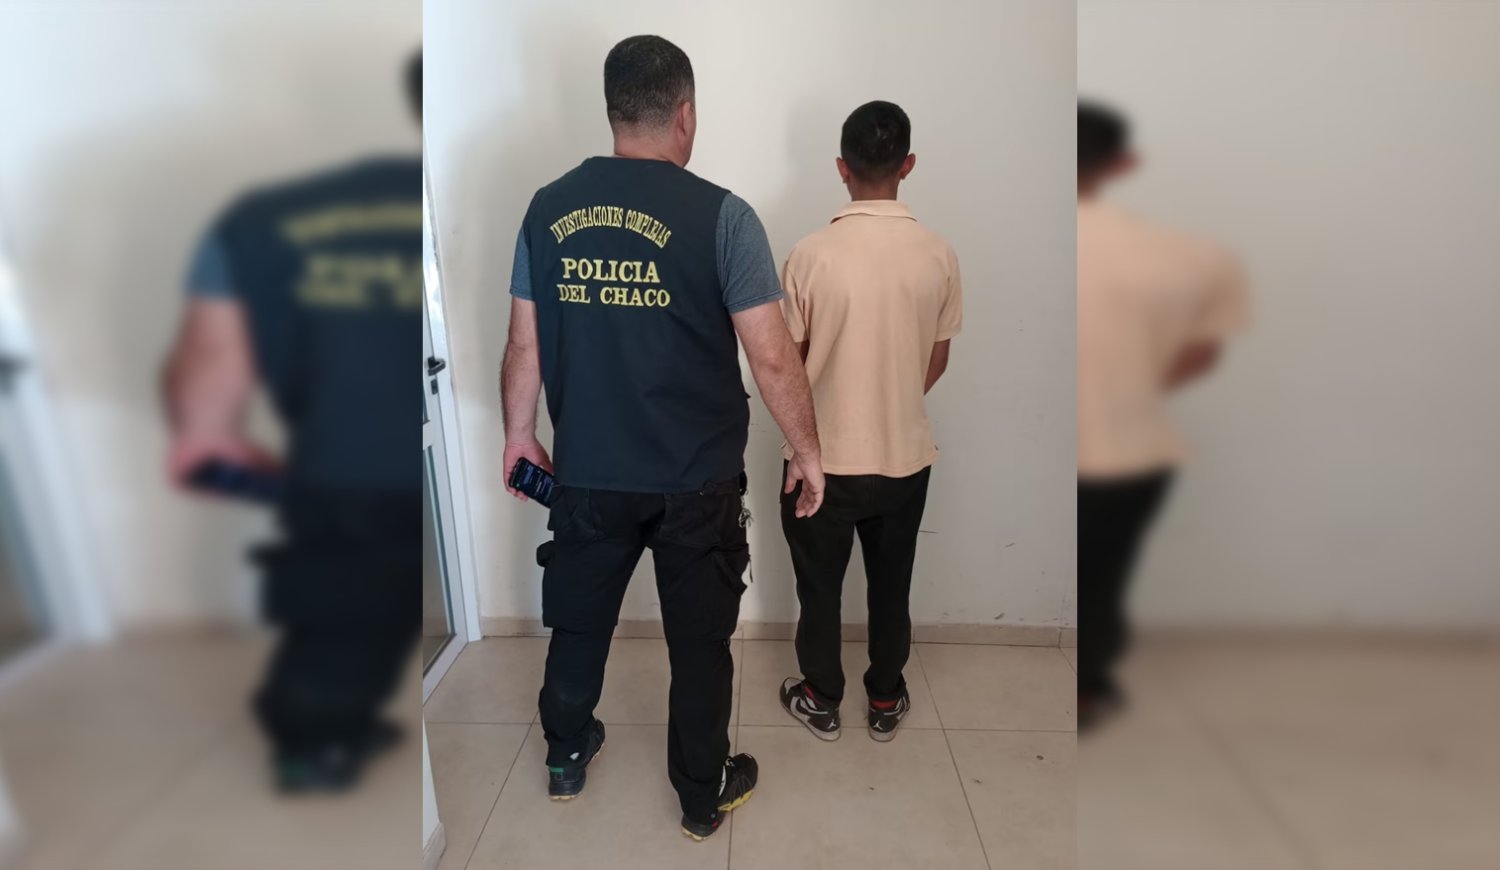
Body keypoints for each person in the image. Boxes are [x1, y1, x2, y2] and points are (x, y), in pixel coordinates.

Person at [499, 35, 825, 841]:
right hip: (695, 482)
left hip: (588, 473)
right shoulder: (723, 217)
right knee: (700, 645)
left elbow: (523, 344)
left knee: (579, 623)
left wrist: (518, 435)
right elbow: (771, 355)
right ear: (685, 114)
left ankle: (566, 755)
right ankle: (700, 794)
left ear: (615, 111)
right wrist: (807, 451)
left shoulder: (546, 210)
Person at [161, 54, 424, 790]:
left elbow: (211, 359)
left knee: (339, 607)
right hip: (402, 458)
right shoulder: (430, 206)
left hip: (334, 459)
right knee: (369, 612)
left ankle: (332, 730)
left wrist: (207, 435)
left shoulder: (261, 218)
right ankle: (311, 750)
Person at [776, 101, 962, 743]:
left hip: (820, 460)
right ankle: (885, 698)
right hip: (905, 457)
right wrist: (891, 400)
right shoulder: (938, 254)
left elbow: (789, 366)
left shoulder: (810, 255)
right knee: (892, 584)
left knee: (818, 589)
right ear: (908, 165)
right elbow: (935, 359)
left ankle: (821, 697)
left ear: (841, 167)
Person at [1076, 100, 1250, 730]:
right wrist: (1132, 387)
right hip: (1135, 448)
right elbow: (1203, 352)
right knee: (1105, 575)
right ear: (1124, 163)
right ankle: (1087, 689)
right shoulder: (1189, 255)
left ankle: (1085, 685)